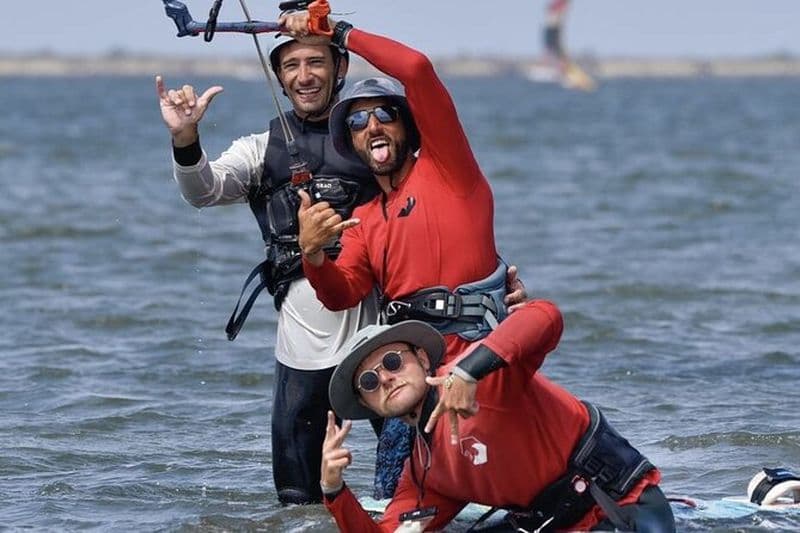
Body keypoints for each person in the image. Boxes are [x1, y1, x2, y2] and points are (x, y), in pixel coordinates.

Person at [155, 26, 526, 503]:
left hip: (405, 350)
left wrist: (493, 286)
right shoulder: (288, 167)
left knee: (451, 482)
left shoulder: (427, 167)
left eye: (316, 62)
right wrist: (186, 139)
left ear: (341, 68)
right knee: (309, 502)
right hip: (310, 351)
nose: (370, 127)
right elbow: (203, 192)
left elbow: (418, 77)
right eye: (291, 66)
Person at [320, 300, 677, 532]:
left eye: (393, 361)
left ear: (424, 359)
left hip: (621, 506)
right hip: (548, 523)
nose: (384, 378)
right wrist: (333, 489)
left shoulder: (482, 375)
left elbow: (545, 316)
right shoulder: (425, 473)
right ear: (369, 405)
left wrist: (470, 372)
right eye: (369, 381)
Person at [293, 15, 511, 366]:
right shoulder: (362, 220)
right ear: (352, 142)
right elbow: (341, 294)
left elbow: (416, 68)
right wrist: (313, 253)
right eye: (358, 122)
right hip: (409, 369)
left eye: (385, 113)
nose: (373, 125)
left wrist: (338, 32)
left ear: (407, 127)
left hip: (477, 361)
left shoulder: (449, 168)